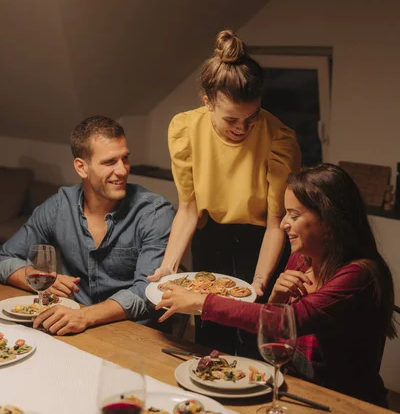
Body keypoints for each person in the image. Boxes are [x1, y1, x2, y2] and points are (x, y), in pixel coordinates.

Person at [156, 163, 397, 407]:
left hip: (346, 403)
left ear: (329, 220)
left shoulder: (359, 275)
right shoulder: (302, 259)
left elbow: (295, 318)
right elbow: (279, 335)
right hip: (294, 389)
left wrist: (202, 301)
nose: (283, 224)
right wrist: (276, 300)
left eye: (294, 215)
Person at [149, 30, 301, 353]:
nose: (242, 129)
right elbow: (188, 209)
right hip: (211, 243)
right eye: (231, 119)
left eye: (252, 117)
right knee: (209, 345)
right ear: (207, 102)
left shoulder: (279, 139)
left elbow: (277, 223)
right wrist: (168, 267)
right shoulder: (185, 131)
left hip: (261, 246)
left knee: (256, 347)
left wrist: (259, 283)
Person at [0, 115, 175, 336]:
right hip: (73, 327)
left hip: (134, 334)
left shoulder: (155, 212)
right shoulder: (59, 206)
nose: (122, 170)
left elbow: (147, 291)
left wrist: (85, 316)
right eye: (110, 162)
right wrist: (40, 280)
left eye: (125, 159)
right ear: (82, 167)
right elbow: (4, 258)